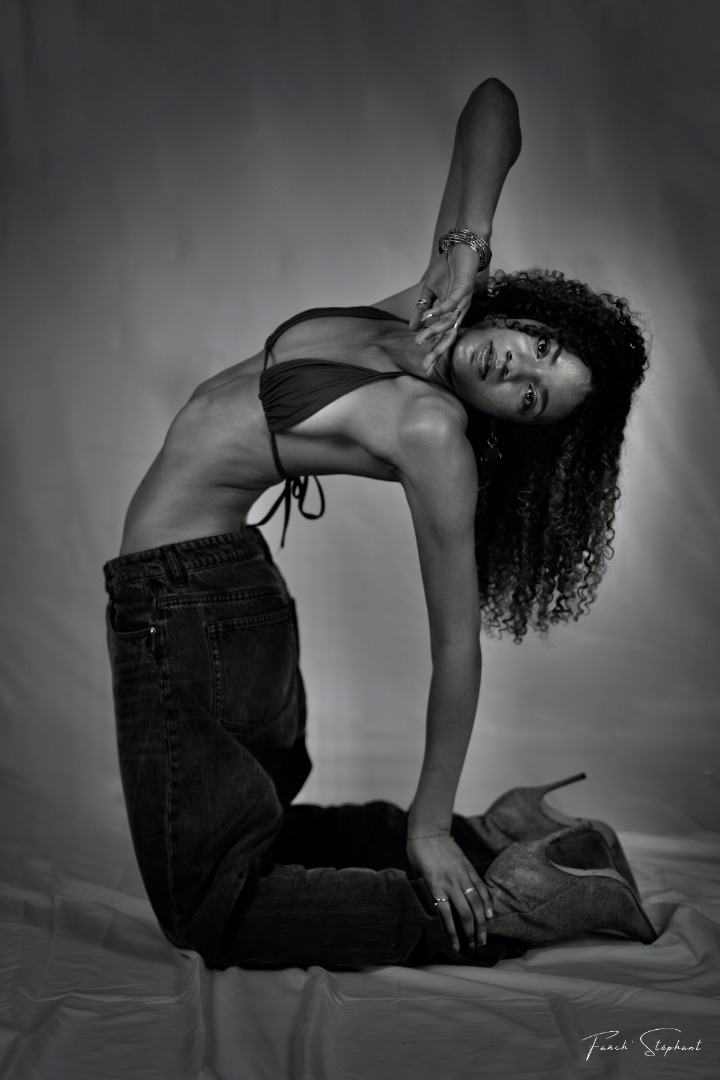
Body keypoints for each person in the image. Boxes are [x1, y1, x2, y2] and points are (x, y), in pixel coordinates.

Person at [103, 78, 651, 970]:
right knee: (259, 841)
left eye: (530, 398)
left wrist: (425, 824)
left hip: (186, 601)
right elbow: (493, 105)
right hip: (225, 590)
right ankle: (500, 836)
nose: (517, 368)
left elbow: (456, 648)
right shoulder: (434, 305)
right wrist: (466, 251)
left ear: (511, 428)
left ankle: (516, 902)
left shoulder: (430, 430)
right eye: (542, 350)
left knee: (213, 910)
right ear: (534, 319)